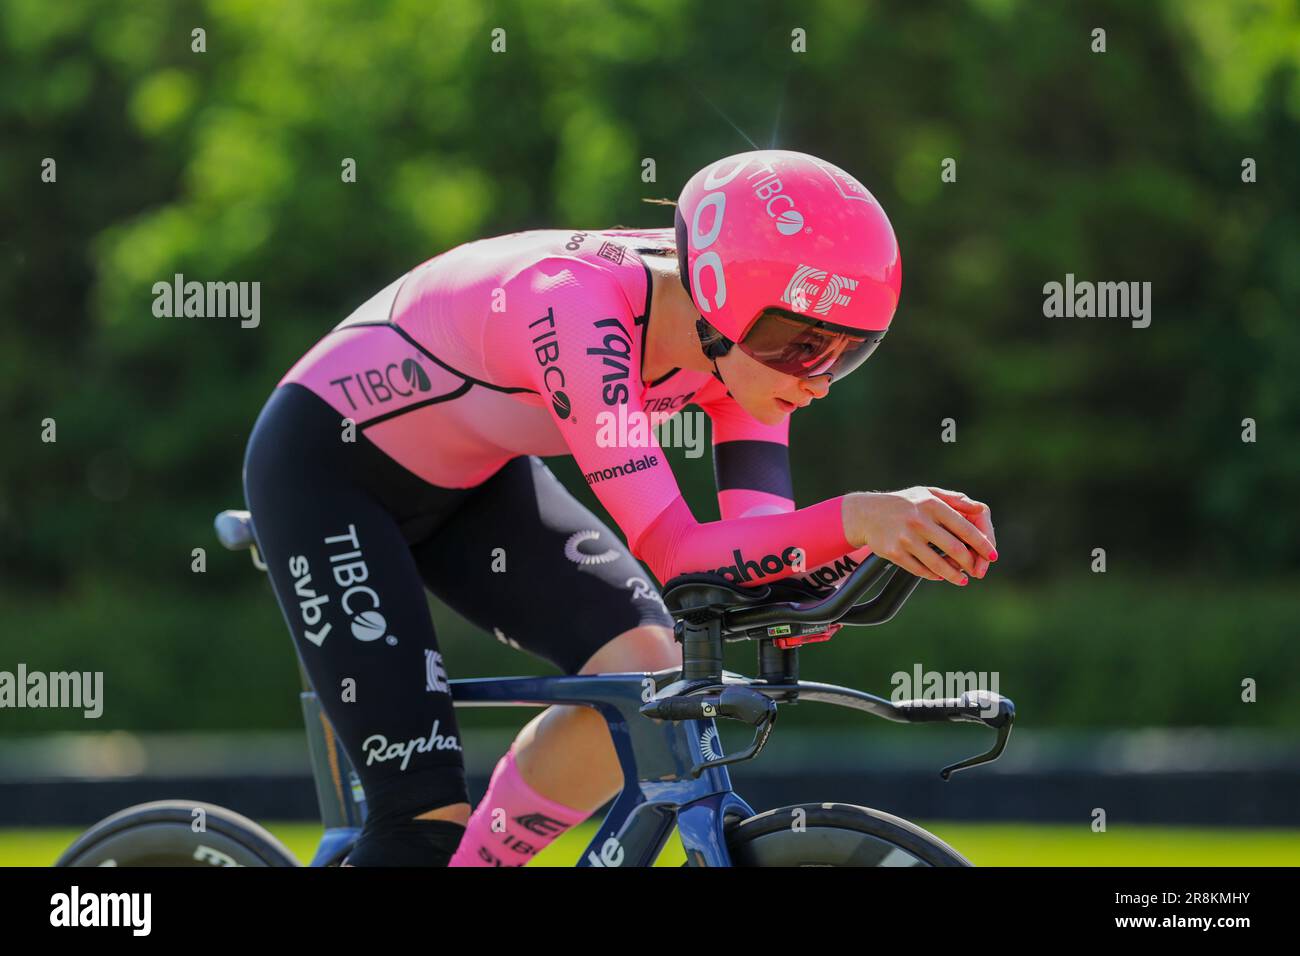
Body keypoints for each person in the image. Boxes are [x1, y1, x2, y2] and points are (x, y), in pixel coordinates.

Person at [241, 148, 997, 867]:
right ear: (718, 300)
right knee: (418, 822)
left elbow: (756, 551)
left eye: (845, 349)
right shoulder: (574, 310)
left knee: (646, 670)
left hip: (476, 475)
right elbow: (675, 550)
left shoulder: (746, 355)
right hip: (328, 472)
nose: (819, 375)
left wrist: (854, 562)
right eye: (801, 342)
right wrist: (859, 518)